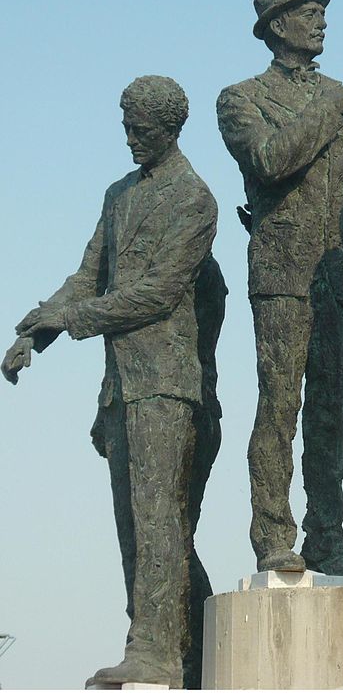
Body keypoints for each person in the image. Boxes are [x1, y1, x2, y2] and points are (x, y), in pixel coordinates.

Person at [2, 75, 225, 689]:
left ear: (170, 129)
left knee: (159, 523)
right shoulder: (117, 194)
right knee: (139, 526)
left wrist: (68, 320)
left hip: (168, 385)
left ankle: (155, 651)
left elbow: (155, 295)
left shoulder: (194, 199)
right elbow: (87, 276)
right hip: (121, 387)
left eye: (140, 130)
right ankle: (188, 648)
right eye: (125, 126)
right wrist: (32, 338)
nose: (129, 139)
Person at [216, 0, 343, 575]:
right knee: (279, 404)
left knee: (331, 408)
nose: (321, 21)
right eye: (309, 12)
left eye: (322, 12)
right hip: (281, 271)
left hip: (339, 277)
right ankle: (272, 536)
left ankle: (326, 539)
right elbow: (270, 159)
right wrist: (324, 111)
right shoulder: (241, 98)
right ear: (278, 26)